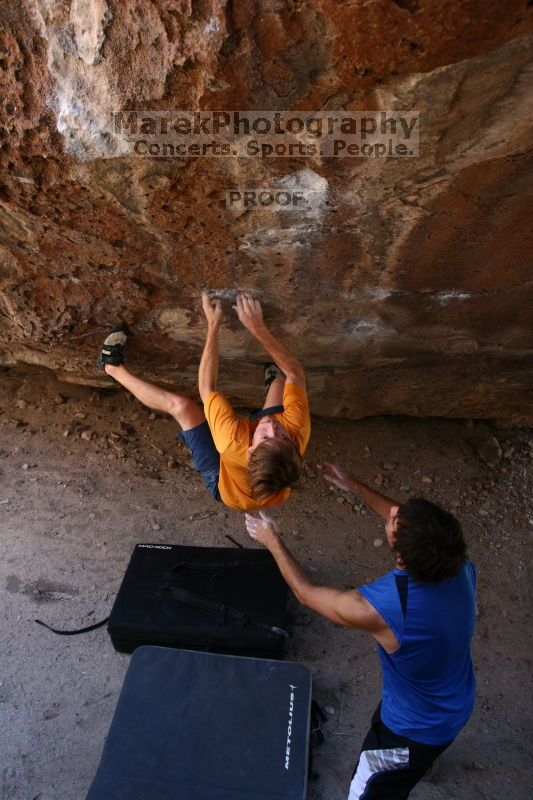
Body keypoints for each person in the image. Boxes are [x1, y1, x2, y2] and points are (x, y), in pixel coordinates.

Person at [245, 462, 476, 800]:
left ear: (401, 558)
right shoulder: (457, 565)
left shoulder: (386, 608)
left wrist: (272, 540)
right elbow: (412, 526)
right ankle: (423, 764)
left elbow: (307, 594)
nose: (392, 512)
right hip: (455, 700)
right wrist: (354, 485)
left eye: (394, 520)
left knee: (365, 790)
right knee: (422, 748)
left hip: (409, 731)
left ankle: (413, 765)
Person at [98, 291, 311, 511]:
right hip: (270, 483)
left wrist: (213, 324)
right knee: (283, 380)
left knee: (182, 407)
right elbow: (296, 373)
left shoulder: (231, 441)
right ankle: (273, 380)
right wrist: (258, 327)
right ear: (293, 443)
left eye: (266, 436)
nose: (273, 426)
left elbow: (206, 387)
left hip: (223, 484)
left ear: (250, 450)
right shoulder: (297, 429)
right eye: (282, 436)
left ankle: (111, 367)